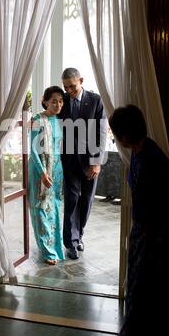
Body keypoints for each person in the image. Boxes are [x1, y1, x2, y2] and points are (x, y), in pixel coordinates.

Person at [109, 104, 169, 336]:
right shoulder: (139, 151)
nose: (115, 137)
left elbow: (161, 202)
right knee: (139, 284)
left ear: (126, 135)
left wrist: (149, 236)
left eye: (116, 133)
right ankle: (138, 334)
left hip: (159, 232)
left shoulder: (151, 157)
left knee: (154, 287)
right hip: (146, 228)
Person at [59, 68, 107, 260]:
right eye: (66, 87)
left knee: (86, 200)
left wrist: (96, 162)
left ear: (81, 80)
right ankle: (70, 242)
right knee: (71, 200)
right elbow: (48, 106)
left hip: (90, 161)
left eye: (72, 86)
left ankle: (79, 236)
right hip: (69, 160)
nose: (69, 90)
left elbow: (101, 133)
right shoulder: (62, 100)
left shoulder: (95, 100)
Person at [28, 86, 65, 265]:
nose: (58, 104)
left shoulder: (59, 120)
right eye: (54, 101)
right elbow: (33, 149)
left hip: (57, 169)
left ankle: (56, 248)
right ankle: (47, 251)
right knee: (41, 207)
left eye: (60, 101)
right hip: (39, 169)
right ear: (45, 101)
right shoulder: (37, 119)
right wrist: (42, 172)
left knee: (55, 207)